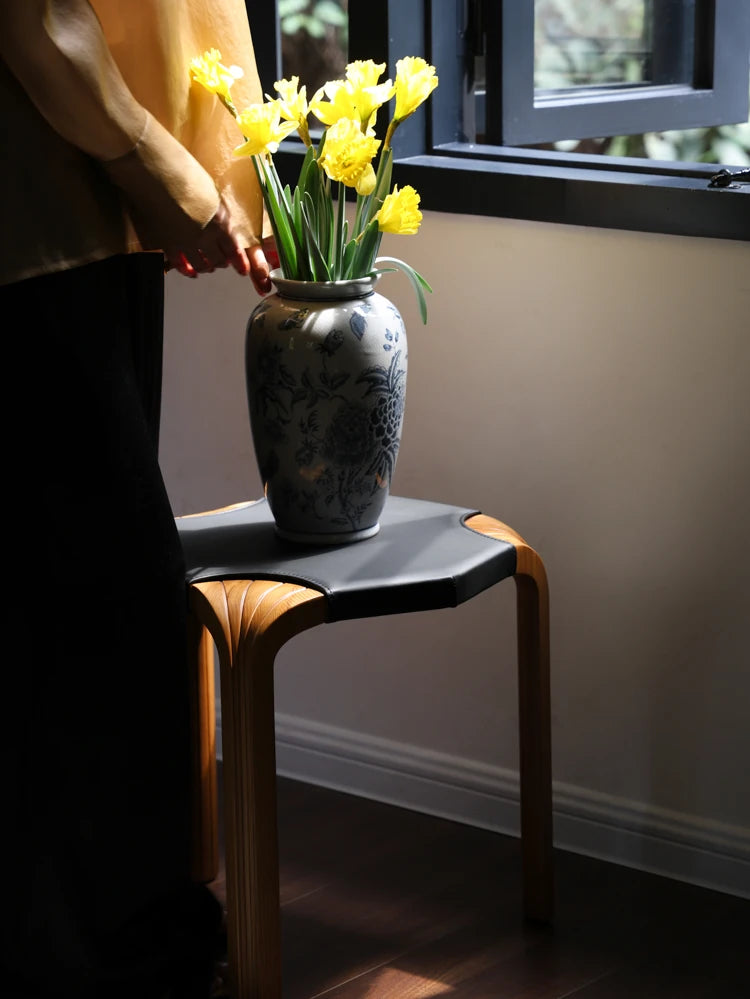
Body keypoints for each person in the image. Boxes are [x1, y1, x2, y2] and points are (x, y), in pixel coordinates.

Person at [0, 2, 274, 996]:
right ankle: (108, 956)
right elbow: (36, 23)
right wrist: (163, 173)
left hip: (79, 201)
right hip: (44, 209)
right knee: (109, 611)